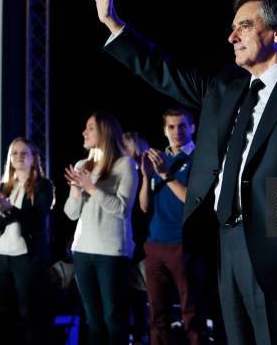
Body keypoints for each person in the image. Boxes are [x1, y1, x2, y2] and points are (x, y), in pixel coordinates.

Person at [86, 0, 277, 344]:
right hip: (226, 246)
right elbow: (162, 70)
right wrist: (112, 22)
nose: (231, 36)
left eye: (243, 25)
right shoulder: (225, 87)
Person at [64, 112, 138, 345]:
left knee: (113, 318)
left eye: (90, 128)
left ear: (105, 132)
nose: (84, 132)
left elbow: (122, 209)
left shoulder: (125, 164)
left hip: (111, 253)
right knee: (92, 319)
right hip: (82, 251)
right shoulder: (81, 165)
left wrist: (92, 188)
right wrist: (77, 191)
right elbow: (70, 213)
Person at [138, 108, 203, 345]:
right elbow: (145, 207)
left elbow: (191, 200)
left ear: (192, 127)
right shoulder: (159, 160)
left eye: (182, 126)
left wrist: (166, 174)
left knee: (191, 313)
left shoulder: (200, 158)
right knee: (157, 315)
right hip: (155, 244)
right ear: (164, 130)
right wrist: (146, 177)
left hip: (183, 245)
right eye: (172, 127)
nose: (177, 132)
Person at [0, 137, 54, 344]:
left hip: (27, 256)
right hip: (1, 256)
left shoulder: (43, 185)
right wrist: (2, 211)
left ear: (34, 158)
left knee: (28, 312)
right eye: (14, 153)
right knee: (1, 310)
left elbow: (36, 218)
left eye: (24, 153)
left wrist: (9, 210)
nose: (19, 157)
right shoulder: (3, 186)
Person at [123, 131, 151, 345]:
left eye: (124, 146)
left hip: (142, 246)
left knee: (140, 299)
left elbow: (143, 211)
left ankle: (141, 336)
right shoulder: (120, 174)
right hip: (124, 246)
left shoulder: (144, 175)